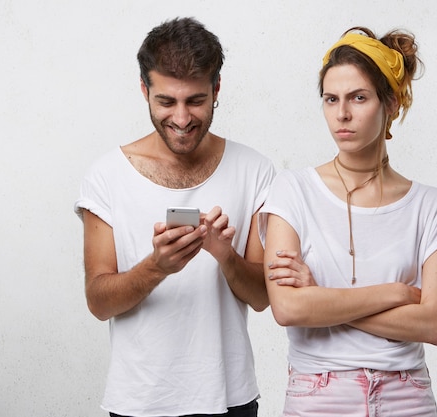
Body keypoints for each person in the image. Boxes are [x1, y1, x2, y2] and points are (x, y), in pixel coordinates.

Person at [259, 26, 437, 416]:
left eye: (358, 97)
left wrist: (321, 295)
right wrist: (395, 293)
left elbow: (435, 325)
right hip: (319, 396)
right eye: (330, 99)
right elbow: (287, 309)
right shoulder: (291, 190)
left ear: (389, 104)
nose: (342, 114)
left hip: (407, 397)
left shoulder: (432, 206)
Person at [74, 17, 274, 417]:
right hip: (140, 401)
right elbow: (98, 302)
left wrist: (224, 254)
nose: (181, 119)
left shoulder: (255, 170)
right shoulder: (107, 175)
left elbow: (263, 297)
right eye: (166, 101)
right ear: (144, 90)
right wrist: (156, 267)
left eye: (195, 101)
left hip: (230, 399)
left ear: (216, 89)